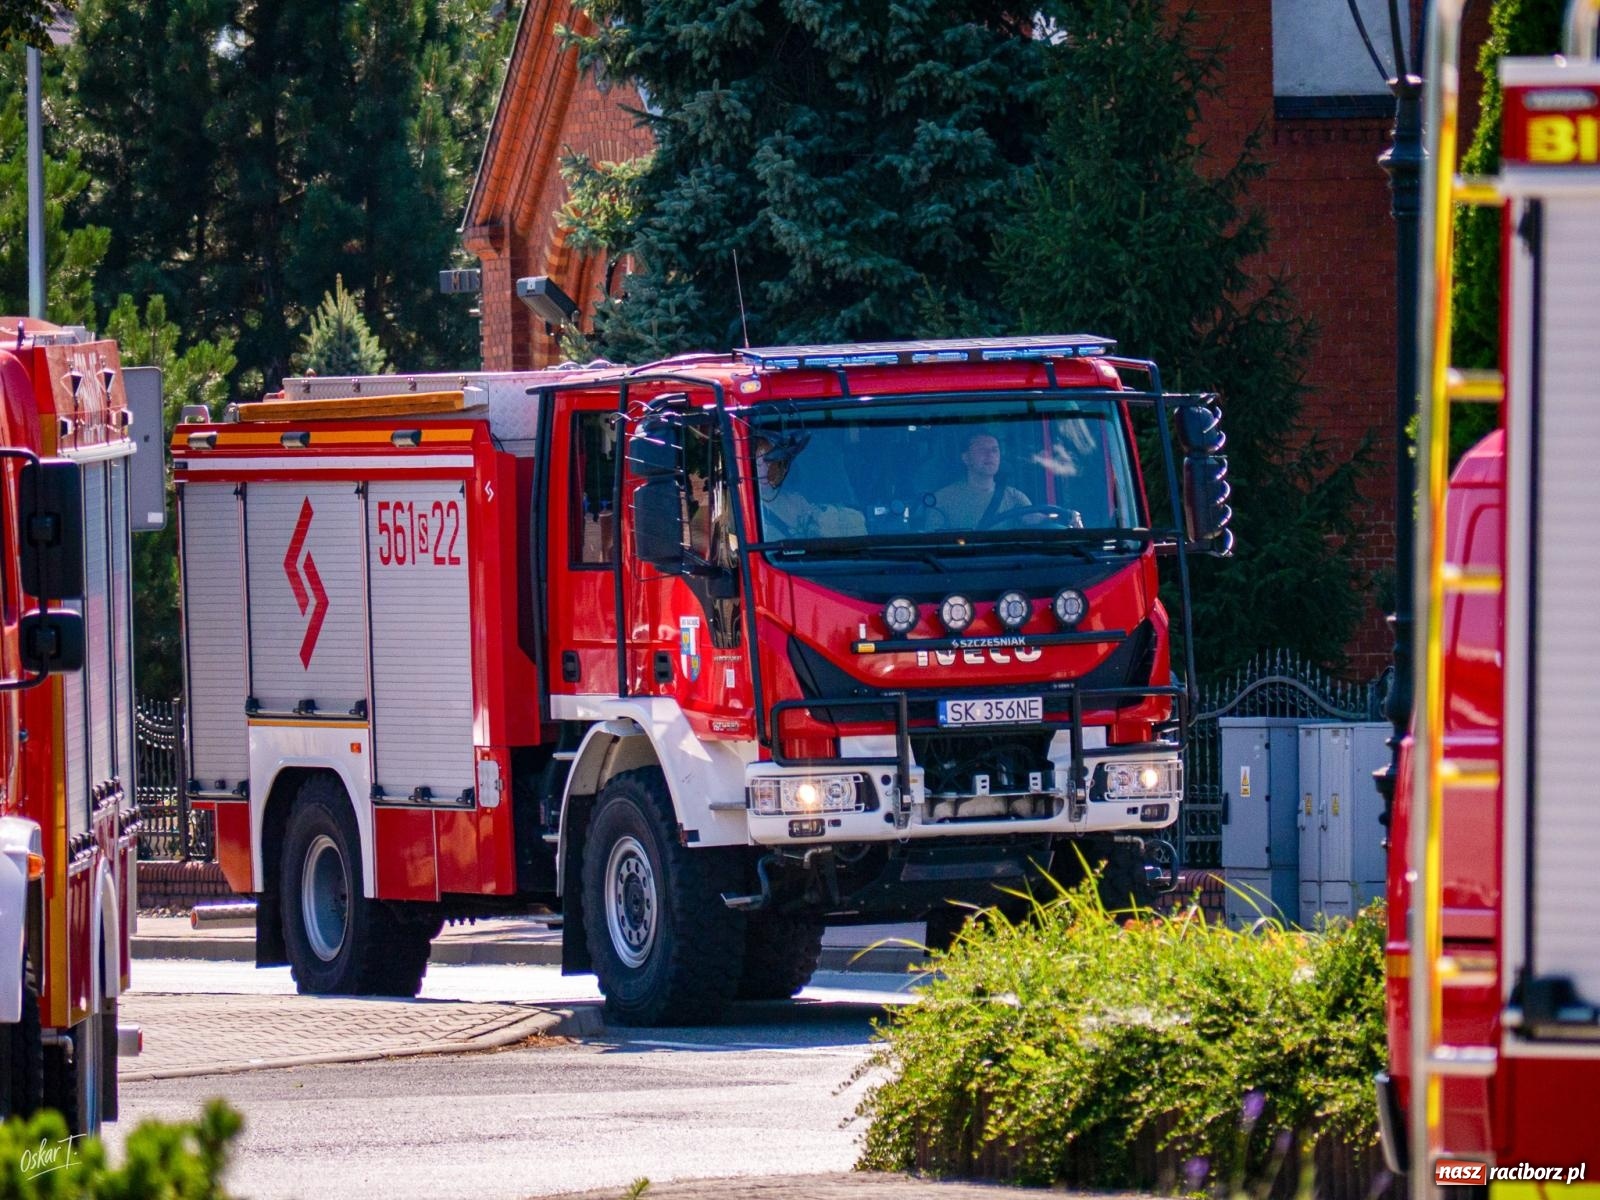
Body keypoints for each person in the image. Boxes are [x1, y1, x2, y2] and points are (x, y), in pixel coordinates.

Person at [753, 433, 866, 539]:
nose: (766, 469)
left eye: (771, 463)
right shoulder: (747, 507)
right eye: (758, 463)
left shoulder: (796, 500)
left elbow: (825, 527)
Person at [927, 432, 1033, 528]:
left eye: (994, 450)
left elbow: (1035, 524)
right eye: (982, 450)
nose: (990, 454)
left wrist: (1044, 520)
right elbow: (932, 543)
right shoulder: (942, 499)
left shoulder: (1015, 497)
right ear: (966, 458)